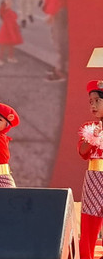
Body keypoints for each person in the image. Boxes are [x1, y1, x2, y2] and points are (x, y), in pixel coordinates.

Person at [77, 80, 103, 259]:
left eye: (97, 101)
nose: (93, 105)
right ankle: (86, 256)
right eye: (90, 102)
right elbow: (83, 152)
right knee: (89, 222)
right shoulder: (88, 127)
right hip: (94, 178)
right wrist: (92, 137)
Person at [0, 0, 22, 66]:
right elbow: (10, 23)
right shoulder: (7, 13)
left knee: (9, 45)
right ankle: (1, 58)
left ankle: (9, 57)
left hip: (8, 30)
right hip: (7, 31)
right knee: (4, 45)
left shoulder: (9, 12)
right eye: (8, 3)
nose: (10, 3)